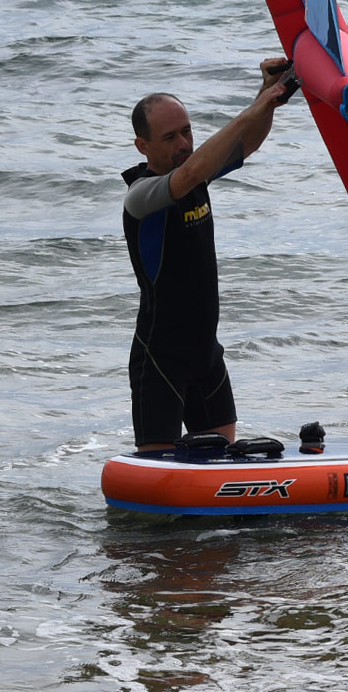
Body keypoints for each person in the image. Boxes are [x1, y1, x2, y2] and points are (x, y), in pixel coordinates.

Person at [120, 59, 296, 451]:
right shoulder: (142, 196)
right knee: (159, 482)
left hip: (206, 353)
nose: (183, 144)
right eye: (170, 138)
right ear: (142, 146)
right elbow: (188, 174)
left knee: (220, 468)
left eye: (187, 132)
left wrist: (268, 97)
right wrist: (253, 107)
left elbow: (246, 143)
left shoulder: (195, 173)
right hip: (160, 358)